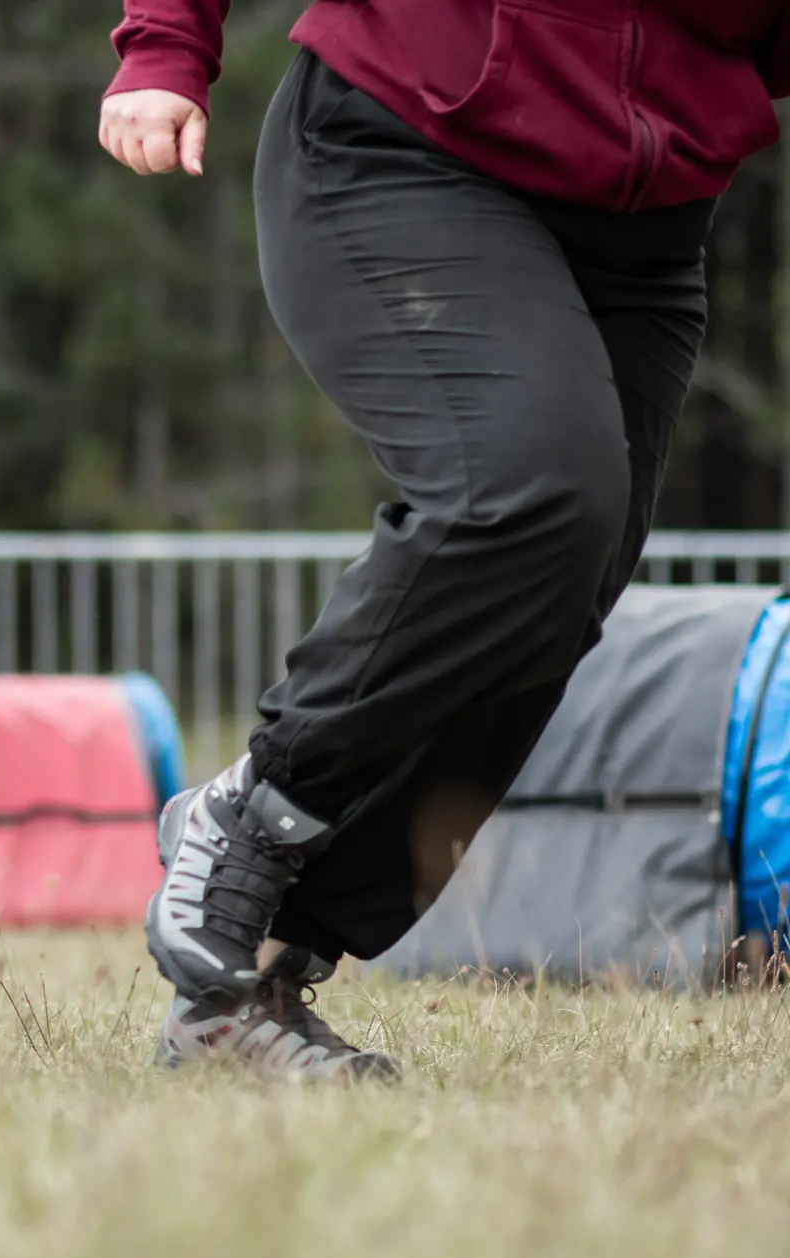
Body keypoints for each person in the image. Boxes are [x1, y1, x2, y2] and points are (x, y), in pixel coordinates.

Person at [99, 2, 790, 1080]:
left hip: (645, 224)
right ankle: (253, 804)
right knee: (526, 494)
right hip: (409, 141)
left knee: (565, 580)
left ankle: (251, 991)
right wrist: (163, 43)